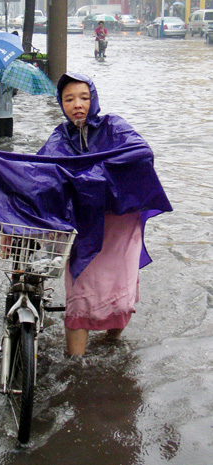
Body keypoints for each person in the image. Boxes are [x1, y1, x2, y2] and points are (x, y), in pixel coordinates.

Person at [36, 73, 172, 356]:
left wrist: (96, 173)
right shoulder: (60, 137)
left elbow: (141, 153)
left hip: (119, 224)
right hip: (84, 226)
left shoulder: (114, 126)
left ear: (94, 99)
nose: (77, 105)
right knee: (81, 296)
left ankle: (111, 343)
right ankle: (76, 368)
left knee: (121, 296)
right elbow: (41, 170)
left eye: (84, 98)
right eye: (69, 98)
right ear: (61, 104)